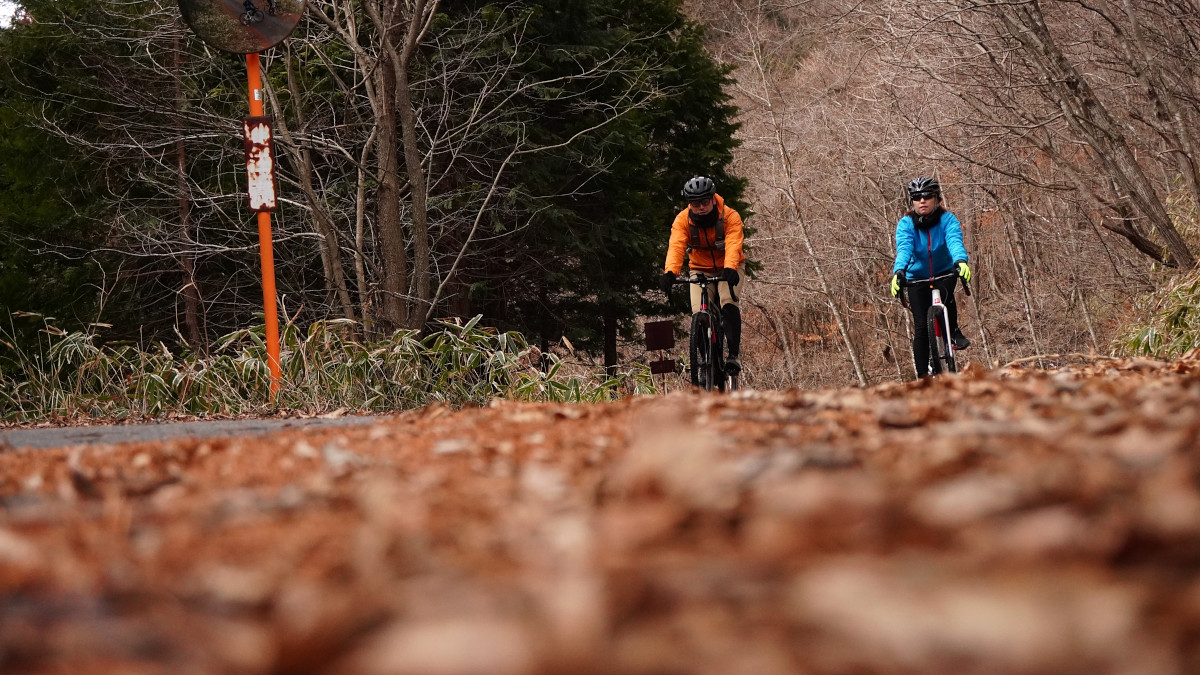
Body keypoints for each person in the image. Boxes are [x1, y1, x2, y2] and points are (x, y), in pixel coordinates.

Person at [660, 176, 747, 372]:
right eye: (695, 203)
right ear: (689, 204)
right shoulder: (682, 220)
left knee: (727, 302)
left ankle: (733, 356)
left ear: (712, 199)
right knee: (698, 312)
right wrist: (670, 272)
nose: (700, 207)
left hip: (729, 267)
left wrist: (731, 267)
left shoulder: (730, 216)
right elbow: (676, 246)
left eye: (705, 202)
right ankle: (706, 361)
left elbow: (733, 244)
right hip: (699, 268)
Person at [890, 176, 972, 378]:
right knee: (920, 327)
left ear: (937, 198)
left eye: (927, 196)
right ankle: (922, 378)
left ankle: (952, 330)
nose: (922, 201)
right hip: (916, 276)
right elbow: (905, 247)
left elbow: (954, 240)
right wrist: (899, 271)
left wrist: (960, 261)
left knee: (947, 296)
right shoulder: (906, 223)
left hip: (944, 271)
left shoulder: (947, 220)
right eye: (917, 197)